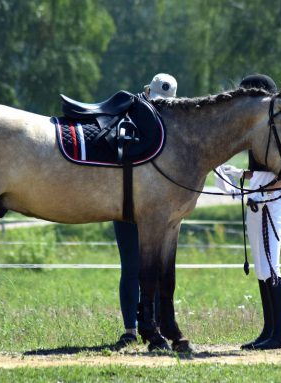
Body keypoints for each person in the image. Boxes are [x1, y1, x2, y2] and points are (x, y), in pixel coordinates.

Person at [215, 74, 281, 350]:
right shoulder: (259, 131)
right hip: (260, 197)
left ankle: (280, 335)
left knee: (271, 265)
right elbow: (262, 170)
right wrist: (242, 175)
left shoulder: (279, 131)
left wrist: (261, 189)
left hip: (270, 199)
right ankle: (269, 331)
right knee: (261, 267)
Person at [114, 73, 177, 349]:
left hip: (157, 208)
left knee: (155, 268)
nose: (159, 106)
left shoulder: (174, 127)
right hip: (127, 205)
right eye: (156, 100)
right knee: (131, 267)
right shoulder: (128, 117)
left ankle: (153, 324)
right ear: (147, 92)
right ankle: (130, 329)